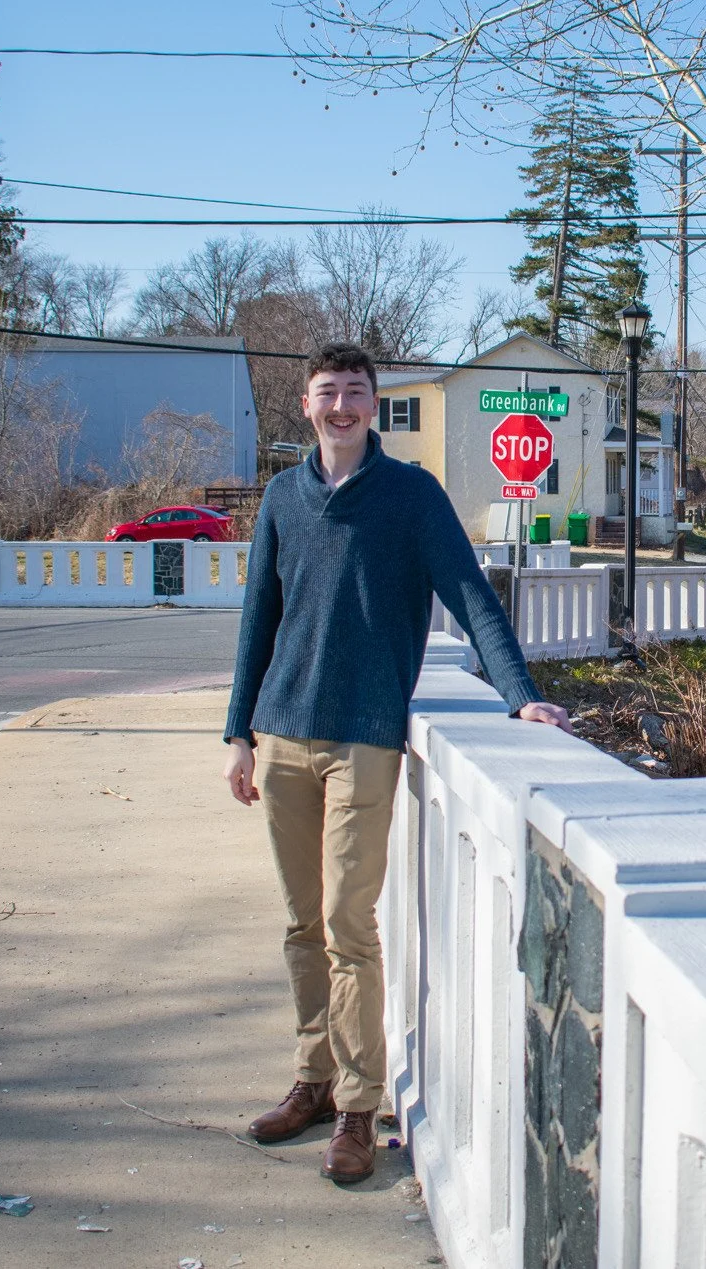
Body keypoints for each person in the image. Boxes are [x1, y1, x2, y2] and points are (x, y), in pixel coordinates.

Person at [222, 341, 570, 1184]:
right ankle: (310, 1079)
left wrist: (517, 691)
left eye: (354, 392)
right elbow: (257, 616)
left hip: (364, 737)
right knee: (302, 923)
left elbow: (469, 593)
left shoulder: (411, 496)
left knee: (348, 923)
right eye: (326, 392)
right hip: (285, 733)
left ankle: (358, 1105)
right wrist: (239, 729)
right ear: (305, 405)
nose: (341, 406)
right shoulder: (282, 496)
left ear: (373, 404)